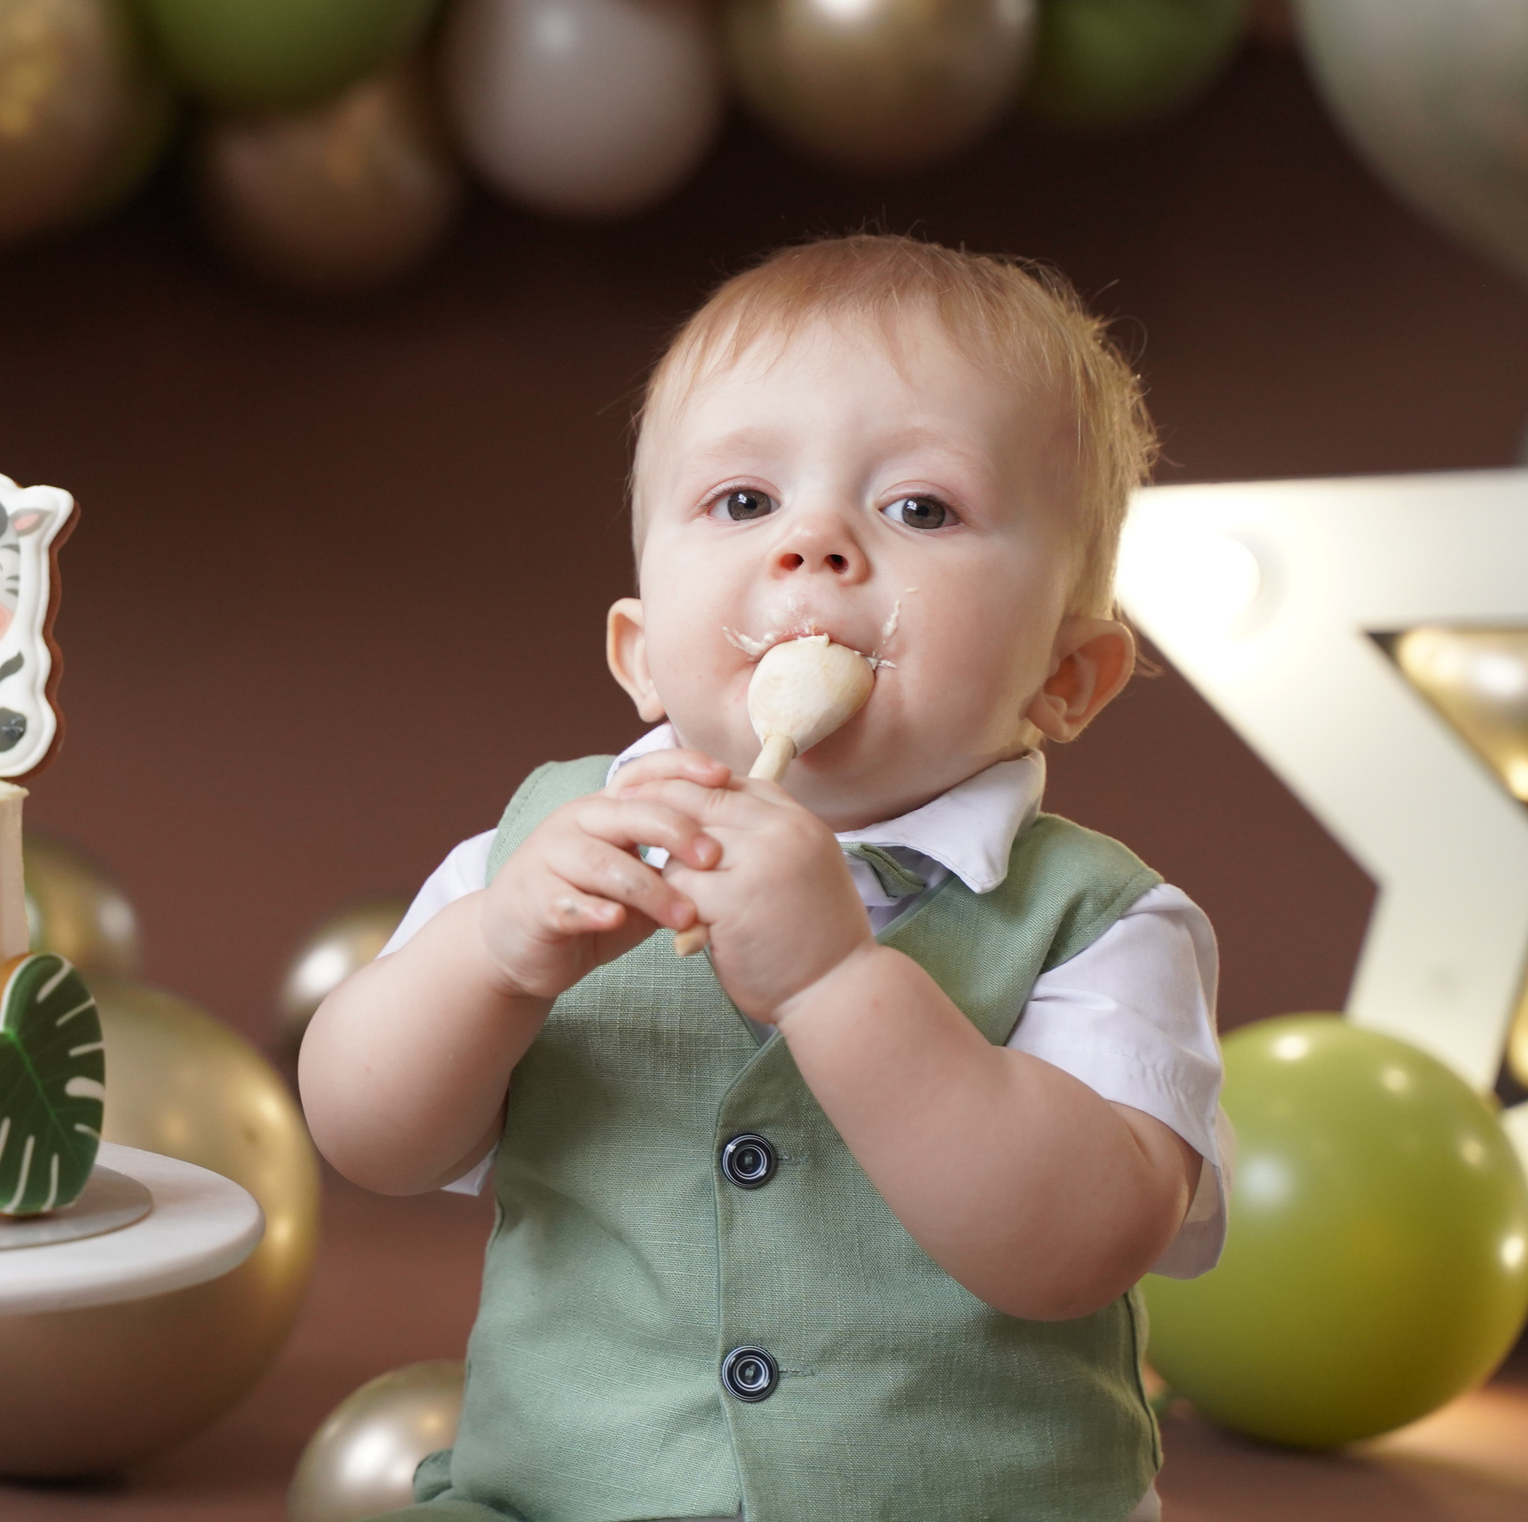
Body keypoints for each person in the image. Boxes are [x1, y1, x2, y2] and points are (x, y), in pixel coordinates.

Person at [298, 235, 1232, 1522]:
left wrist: (838, 980)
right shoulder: (548, 852)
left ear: (1064, 680)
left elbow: (1073, 1246)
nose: (814, 546)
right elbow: (369, 1137)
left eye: (920, 509)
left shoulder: (1100, 926)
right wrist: (495, 958)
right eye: (744, 502)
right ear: (639, 654)